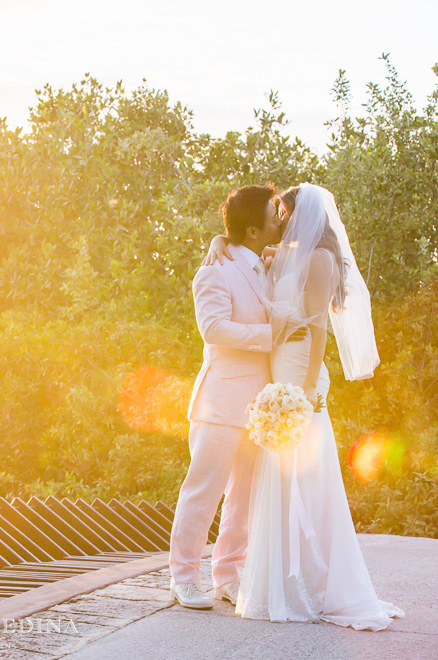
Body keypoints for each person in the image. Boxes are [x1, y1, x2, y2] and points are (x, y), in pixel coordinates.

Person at [230, 183, 404, 630]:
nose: (281, 218)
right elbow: (243, 252)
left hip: (301, 370)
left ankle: (316, 582)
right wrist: (217, 242)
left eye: (284, 211)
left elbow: (318, 329)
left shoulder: (322, 259)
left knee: (308, 473)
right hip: (279, 366)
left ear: (306, 215)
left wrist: (304, 391)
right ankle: (283, 581)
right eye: (278, 212)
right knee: (279, 472)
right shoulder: (285, 255)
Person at [169, 184, 306, 609]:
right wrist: (272, 336)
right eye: (272, 213)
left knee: (243, 496)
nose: (280, 218)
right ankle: (183, 577)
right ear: (251, 230)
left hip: (260, 408)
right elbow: (213, 328)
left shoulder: (268, 261)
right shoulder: (214, 270)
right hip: (220, 404)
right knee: (202, 492)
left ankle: (226, 574)